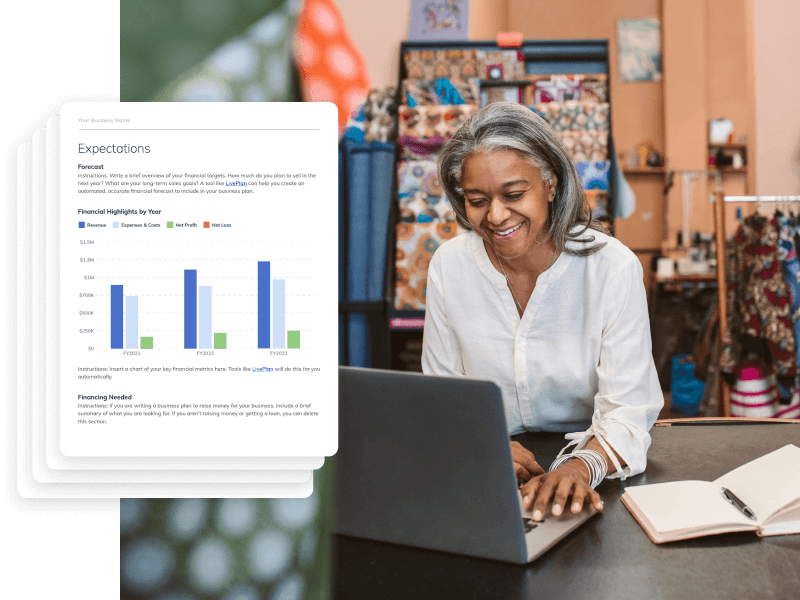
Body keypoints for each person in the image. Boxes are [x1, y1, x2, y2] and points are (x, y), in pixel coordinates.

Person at [421, 101, 663, 522]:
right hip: (490, 471)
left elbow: (629, 409)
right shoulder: (449, 266)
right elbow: (442, 397)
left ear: (550, 182)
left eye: (514, 194)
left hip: (593, 460)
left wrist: (580, 468)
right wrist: (481, 442)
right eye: (477, 200)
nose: (495, 216)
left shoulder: (612, 268)